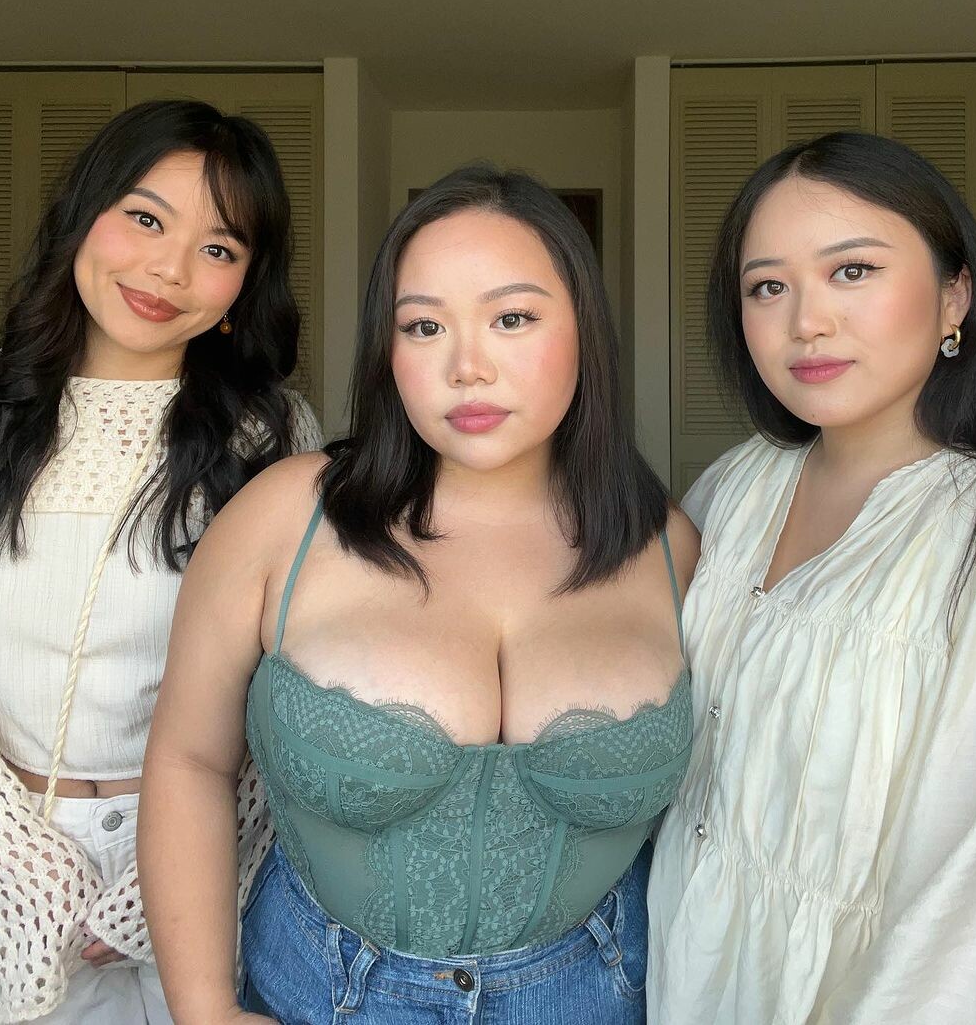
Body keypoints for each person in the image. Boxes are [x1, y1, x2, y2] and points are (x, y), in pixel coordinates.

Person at [139, 164, 700, 1025]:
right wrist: (204, 1009)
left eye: (512, 318)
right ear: (389, 351)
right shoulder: (286, 518)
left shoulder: (670, 546)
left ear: (585, 329)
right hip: (320, 993)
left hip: (601, 993)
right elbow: (189, 759)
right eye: (425, 326)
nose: (467, 368)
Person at [647, 131, 976, 1024]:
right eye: (768, 287)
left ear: (955, 296)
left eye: (852, 271)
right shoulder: (734, 489)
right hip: (687, 982)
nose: (806, 321)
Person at [0, 100, 322, 1024]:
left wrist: (161, 877)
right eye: (144, 218)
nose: (169, 269)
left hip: (207, 859)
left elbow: (289, 685)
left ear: (245, 284)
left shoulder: (272, 437)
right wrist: (13, 862)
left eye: (218, 247)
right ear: (83, 214)